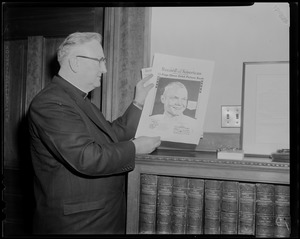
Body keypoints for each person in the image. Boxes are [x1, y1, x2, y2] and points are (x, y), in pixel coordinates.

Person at [27, 32, 161, 234]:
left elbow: (112, 134)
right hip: (79, 225)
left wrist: (138, 102)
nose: (104, 69)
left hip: (99, 218)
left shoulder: (78, 100)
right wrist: (135, 148)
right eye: (99, 61)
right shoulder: (50, 103)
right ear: (75, 63)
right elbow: (87, 157)